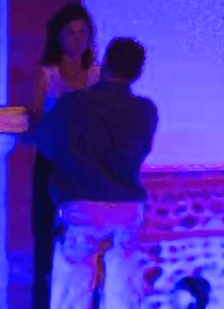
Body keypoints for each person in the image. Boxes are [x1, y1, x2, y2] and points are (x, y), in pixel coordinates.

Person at [29, 37, 158, 309]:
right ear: (137, 72)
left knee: (72, 291)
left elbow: (45, 143)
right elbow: (142, 149)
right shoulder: (145, 111)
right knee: (123, 293)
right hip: (128, 209)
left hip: (81, 205)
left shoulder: (74, 104)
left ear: (105, 64)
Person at [31, 4, 100, 309]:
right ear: (58, 36)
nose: (76, 38)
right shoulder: (47, 75)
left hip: (87, 168)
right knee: (47, 237)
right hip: (52, 165)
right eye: (70, 32)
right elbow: (36, 121)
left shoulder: (97, 75)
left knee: (87, 239)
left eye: (82, 32)